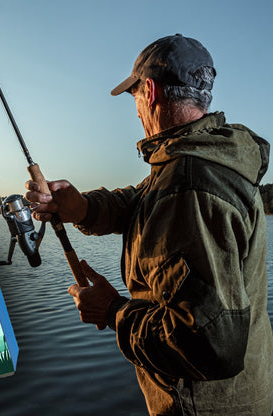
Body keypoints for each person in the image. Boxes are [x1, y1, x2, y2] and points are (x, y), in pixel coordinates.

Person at [25, 34, 273, 415]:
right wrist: (81, 207)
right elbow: (139, 202)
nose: (137, 110)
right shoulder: (197, 160)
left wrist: (112, 311)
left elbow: (209, 345)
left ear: (151, 91)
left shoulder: (190, 183)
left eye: (135, 97)